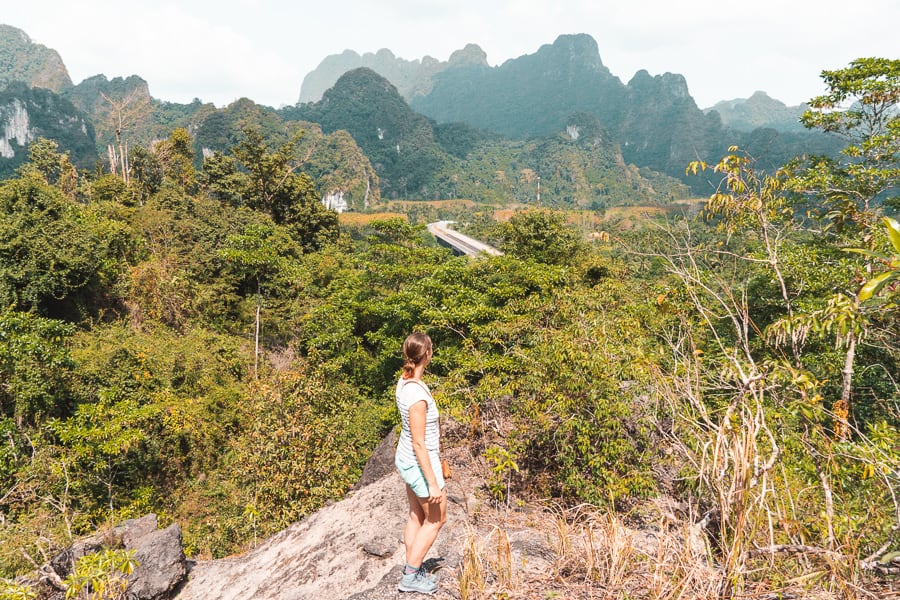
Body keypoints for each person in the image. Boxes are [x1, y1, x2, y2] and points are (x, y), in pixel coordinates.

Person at [394, 332, 446, 594]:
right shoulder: (417, 396)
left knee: (416, 514)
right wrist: (434, 484)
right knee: (436, 518)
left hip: (406, 458)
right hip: (417, 461)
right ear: (427, 354)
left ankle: (410, 566)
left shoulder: (405, 381)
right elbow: (419, 443)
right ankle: (411, 577)